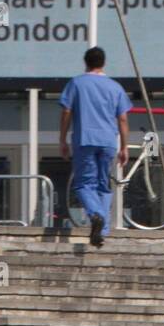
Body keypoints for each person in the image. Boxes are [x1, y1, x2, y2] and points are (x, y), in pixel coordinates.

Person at [59, 47, 131, 247]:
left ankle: (96, 215)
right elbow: (123, 118)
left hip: (85, 139)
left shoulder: (76, 83)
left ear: (85, 62)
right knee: (103, 185)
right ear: (103, 63)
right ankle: (102, 230)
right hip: (108, 141)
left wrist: (62, 139)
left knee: (83, 184)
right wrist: (124, 146)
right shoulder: (115, 87)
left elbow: (66, 111)